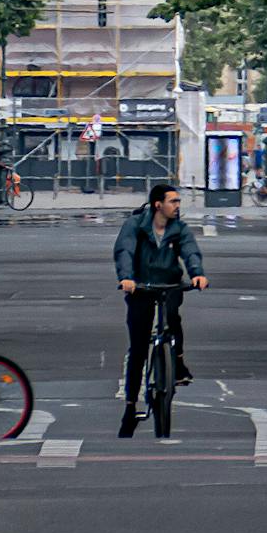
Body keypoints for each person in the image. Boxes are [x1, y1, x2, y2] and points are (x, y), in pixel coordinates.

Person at [113, 181, 208, 437]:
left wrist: (197, 274)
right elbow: (124, 250)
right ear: (158, 204)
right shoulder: (135, 225)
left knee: (173, 318)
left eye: (178, 201)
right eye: (173, 201)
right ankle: (131, 406)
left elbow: (190, 251)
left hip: (169, 283)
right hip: (141, 285)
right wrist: (126, 278)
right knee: (139, 347)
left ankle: (176, 364)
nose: (178, 206)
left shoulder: (178, 228)